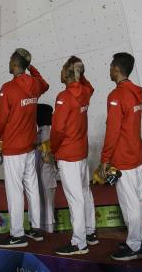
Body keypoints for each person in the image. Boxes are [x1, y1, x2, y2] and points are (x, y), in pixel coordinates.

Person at [0, 48, 49, 248]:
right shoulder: (34, 84)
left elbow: (0, 119)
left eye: (10, 61)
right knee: (31, 187)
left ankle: (17, 235)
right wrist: (30, 66)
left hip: (14, 148)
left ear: (15, 65)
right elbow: (45, 84)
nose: (8, 63)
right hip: (29, 146)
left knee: (15, 190)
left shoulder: (8, 88)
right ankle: (35, 229)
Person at [100, 52, 142, 261]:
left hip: (123, 157)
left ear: (117, 69)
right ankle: (139, 238)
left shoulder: (116, 95)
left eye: (111, 66)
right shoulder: (137, 92)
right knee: (138, 200)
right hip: (136, 154)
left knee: (130, 204)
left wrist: (104, 159)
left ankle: (134, 246)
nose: (109, 69)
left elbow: (113, 130)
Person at [51, 56, 98, 256]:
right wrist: (81, 73)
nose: (60, 72)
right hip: (81, 151)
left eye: (63, 69)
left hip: (68, 154)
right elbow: (90, 87)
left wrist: (53, 150)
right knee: (85, 192)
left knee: (75, 198)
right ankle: (90, 233)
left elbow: (58, 130)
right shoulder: (85, 92)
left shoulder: (64, 96)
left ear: (69, 74)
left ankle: (79, 243)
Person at [35, 103, 57, 233]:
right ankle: (43, 226)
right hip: (42, 173)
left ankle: (49, 228)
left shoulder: (47, 132)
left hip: (47, 173)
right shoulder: (40, 132)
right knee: (42, 197)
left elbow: (48, 157)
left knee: (47, 198)